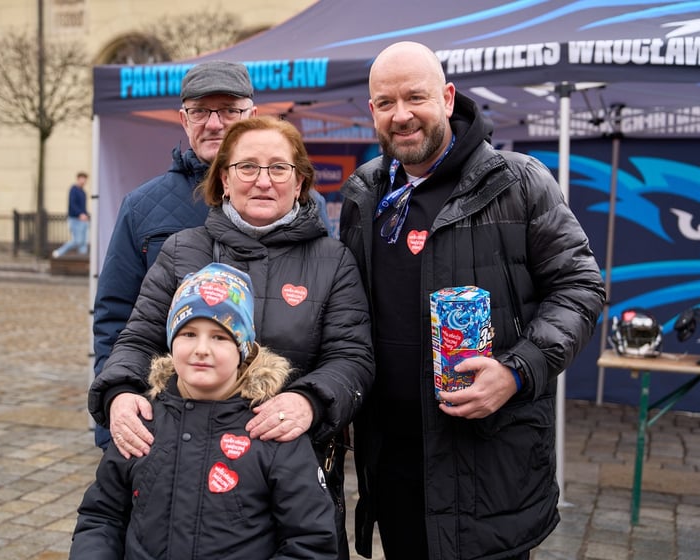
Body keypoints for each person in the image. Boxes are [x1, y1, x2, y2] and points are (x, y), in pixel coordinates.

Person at [338, 42, 606, 559]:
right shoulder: (365, 193)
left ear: (447, 97)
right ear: (372, 111)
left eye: (416, 97)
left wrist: (517, 370)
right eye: (386, 103)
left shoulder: (518, 181)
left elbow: (580, 288)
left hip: (489, 456)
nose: (402, 115)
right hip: (393, 459)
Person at [89, 116, 374, 558]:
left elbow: (352, 357)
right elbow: (138, 337)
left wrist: (310, 401)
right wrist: (120, 393)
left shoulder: (332, 260)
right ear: (224, 178)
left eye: (279, 168)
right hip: (177, 464)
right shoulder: (182, 249)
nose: (263, 181)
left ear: (300, 183)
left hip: (289, 470)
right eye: (247, 167)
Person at [71, 262, 338, 559]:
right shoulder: (143, 423)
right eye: (188, 334)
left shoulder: (273, 432)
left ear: (243, 349)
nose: (201, 349)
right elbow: (102, 518)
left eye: (219, 337)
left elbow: (309, 541)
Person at [91, 60, 258, 451]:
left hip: (260, 427)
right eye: (201, 111)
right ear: (184, 120)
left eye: (230, 110)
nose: (215, 123)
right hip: (167, 425)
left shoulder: (297, 204)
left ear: (253, 115)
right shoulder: (141, 207)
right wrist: (115, 408)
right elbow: (115, 319)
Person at [52, 171, 89, 258]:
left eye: (85, 179)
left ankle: (82, 259)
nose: (84, 181)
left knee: (83, 242)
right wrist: (80, 214)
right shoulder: (73, 190)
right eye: (82, 179)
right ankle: (59, 252)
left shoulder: (83, 192)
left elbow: (83, 207)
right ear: (78, 179)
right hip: (75, 219)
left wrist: (86, 214)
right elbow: (72, 204)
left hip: (83, 220)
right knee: (77, 241)